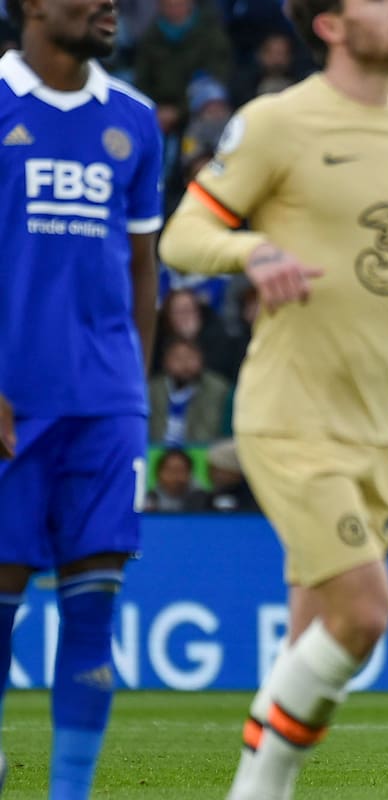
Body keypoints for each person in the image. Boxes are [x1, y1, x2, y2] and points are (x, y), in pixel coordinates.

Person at [156, 0, 388, 794]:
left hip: (373, 424)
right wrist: (251, 250)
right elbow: (183, 235)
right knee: (362, 615)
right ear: (328, 24)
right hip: (289, 415)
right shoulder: (275, 123)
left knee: (313, 651)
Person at [0, 0, 163, 792]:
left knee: (93, 607)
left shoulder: (134, 119)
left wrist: (137, 386)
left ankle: (69, 793)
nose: (107, 4)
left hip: (105, 401)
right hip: (11, 397)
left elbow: (142, 267)